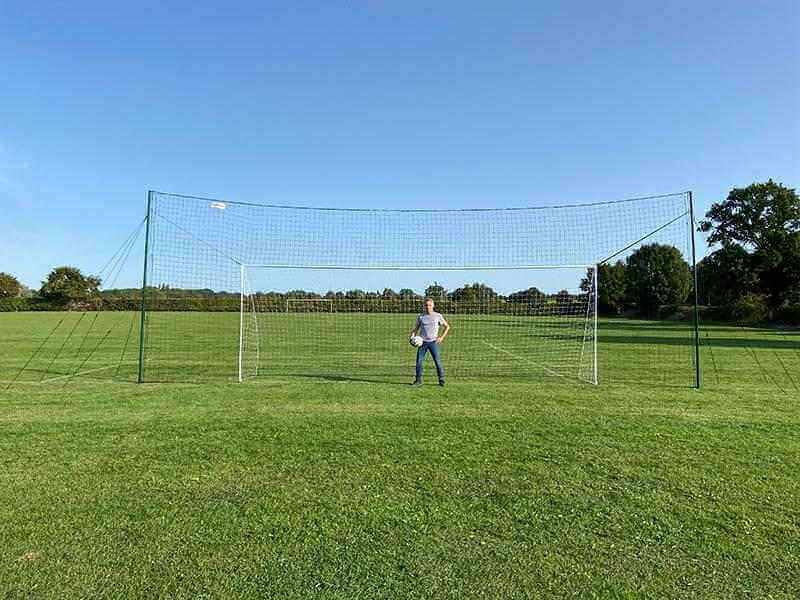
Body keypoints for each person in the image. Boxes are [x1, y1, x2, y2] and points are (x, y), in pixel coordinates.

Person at [410, 297, 451, 386]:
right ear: (424, 306)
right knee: (419, 362)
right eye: (426, 305)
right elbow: (415, 329)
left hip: (433, 342)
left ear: (433, 306)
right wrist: (412, 337)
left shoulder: (438, 316)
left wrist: (441, 337)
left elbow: (447, 326)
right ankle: (418, 381)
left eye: (429, 305)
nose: (428, 307)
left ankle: (441, 380)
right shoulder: (421, 316)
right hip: (422, 343)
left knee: (437, 361)